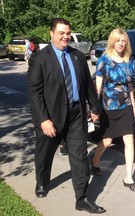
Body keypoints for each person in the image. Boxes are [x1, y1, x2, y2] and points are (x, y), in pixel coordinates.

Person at [27, 18, 106, 214]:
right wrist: (43, 120)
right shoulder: (40, 59)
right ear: (51, 34)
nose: (66, 36)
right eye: (61, 33)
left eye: (68, 33)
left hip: (75, 115)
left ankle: (82, 198)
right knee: (44, 155)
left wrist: (95, 109)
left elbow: (88, 86)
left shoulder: (78, 56)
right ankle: (42, 182)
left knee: (79, 156)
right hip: (50, 117)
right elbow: (34, 92)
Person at [91, 28, 135, 193]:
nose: (121, 43)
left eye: (124, 41)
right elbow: (98, 87)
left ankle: (128, 177)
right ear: (113, 41)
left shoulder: (128, 61)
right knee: (107, 141)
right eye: (119, 40)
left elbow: (130, 85)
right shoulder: (103, 60)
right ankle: (95, 160)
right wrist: (95, 108)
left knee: (129, 140)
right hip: (109, 106)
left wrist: (133, 106)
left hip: (125, 105)